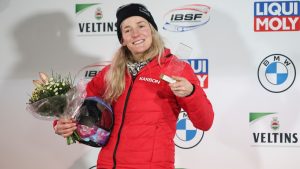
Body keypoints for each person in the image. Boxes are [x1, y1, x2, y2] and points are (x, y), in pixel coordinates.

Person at [53, 3, 214, 169]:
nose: (136, 34)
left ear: (152, 30)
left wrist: (191, 92)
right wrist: (62, 123)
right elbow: (76, 104)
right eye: (127, 30)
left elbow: (205, 122)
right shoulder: (110, 72)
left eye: (141, 26)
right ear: (122, 39)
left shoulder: (175, 69)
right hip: (109, 165)